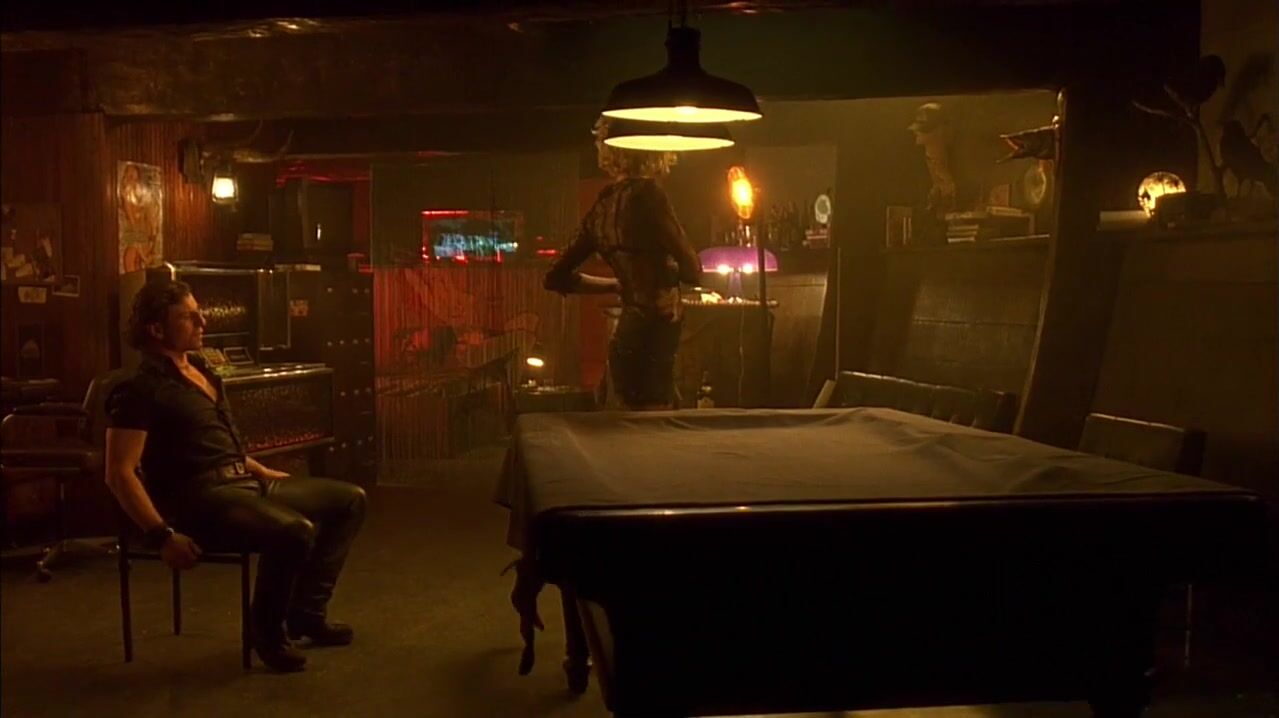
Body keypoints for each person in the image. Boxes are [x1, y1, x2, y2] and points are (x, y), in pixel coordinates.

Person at [104, 279, 366, 672]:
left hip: (242, 481)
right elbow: (119, 473)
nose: (202, 321)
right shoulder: (139, 389)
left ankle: (306, 614)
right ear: (156, 329)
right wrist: (161, 536)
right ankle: (267, 632)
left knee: (350, 500)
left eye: (199, 313)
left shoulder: (201, 369)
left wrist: (257, 467)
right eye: (188, 317)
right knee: (293, 531)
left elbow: (216, 440)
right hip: (200, 498)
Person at [543, 116, 701, 410]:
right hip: (656, 336)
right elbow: (694, 271)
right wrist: (663, 273)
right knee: (655, 425)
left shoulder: (602, 207)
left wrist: (619, 283)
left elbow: (555, 277)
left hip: (628, 334)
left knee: (637, 423)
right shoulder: (650, 195)